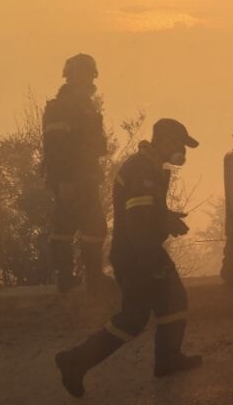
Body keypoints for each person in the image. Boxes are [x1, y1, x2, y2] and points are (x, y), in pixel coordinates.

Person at [54, 118, 203, 397]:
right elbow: (138, 222)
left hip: (140, 251)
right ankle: (74, 360)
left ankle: (167, 359)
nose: (182, 150)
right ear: (166, 140)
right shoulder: (141, 170)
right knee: (133, 317)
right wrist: (152, 262)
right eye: (180, 144)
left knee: (173, 301)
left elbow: (148, 213)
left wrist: (167, 219)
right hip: (136, 254)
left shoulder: (152, 168)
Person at [41, 53, 111, 294]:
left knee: (76, 226)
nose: (87, 79)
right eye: (81, 74)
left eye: (88, 74)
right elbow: (56, 147)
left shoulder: (83, 105)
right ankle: (85, 278)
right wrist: (65, 181)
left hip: (85, 177)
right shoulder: (62, 107)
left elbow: (93, 144)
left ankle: (75, 278)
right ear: (70, 77)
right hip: (73, 179)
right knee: (83, 227)